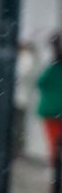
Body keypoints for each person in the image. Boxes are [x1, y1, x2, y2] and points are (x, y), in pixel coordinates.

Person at [38, 34, 62, 166]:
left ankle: (55, 164)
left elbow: (40, 82)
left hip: (50, 110)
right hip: (57, 110)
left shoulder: (52, 68)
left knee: (53, 139)